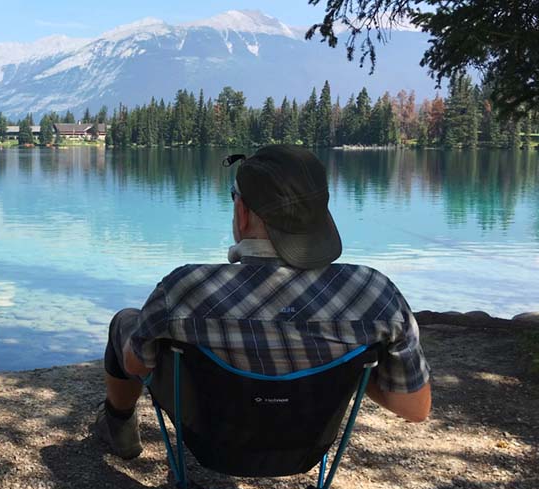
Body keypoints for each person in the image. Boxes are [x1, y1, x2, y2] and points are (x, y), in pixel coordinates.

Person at [94, 145, 432, 459]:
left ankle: (120, 429)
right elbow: (415, 409)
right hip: (305, 449)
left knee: (125, 321)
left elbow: (137, 365)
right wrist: (350, 369)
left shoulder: (184, 289)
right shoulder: (374, 294)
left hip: (210, 442)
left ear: (242, 212)